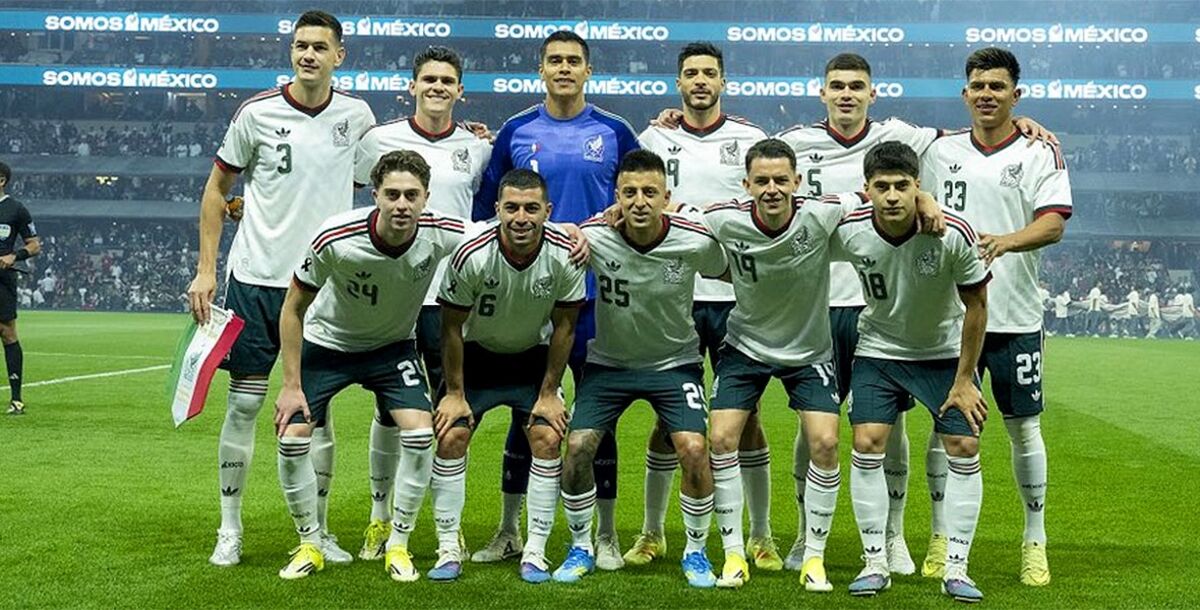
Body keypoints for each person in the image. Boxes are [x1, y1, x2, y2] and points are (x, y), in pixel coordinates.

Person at [775, 52, 1055, 574]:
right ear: (822, 92)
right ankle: (803, 539)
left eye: (856, 85)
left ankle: (896, 537)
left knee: (890, 425)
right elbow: (766, 189)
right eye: (836, 85)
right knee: (815, 426)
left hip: (883, 309)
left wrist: (1016, 125)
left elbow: (971, 131)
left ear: (872, 94)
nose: (846, 94)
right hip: (817, 306)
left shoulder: (906, 137)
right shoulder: (794, 142)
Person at [185, 10, 376, 567]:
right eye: (300, 45)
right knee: (243, 406)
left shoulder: (357, 116)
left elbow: (383, 171)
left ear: (340, 55)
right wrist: (205, 269)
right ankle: (230, 527)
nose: (308, 54)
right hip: (257, 281)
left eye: (319, 46)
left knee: (318, 413)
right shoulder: (256, 113)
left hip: (322, 287)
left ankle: (317, 532)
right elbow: (218, 189)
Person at [471, 30, 640, 569]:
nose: (564, 69)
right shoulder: (517, 131)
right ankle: (507, 529)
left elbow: (639, 198)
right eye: (554, 61)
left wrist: (615, 216)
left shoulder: (615, 131)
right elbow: (486, 207)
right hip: (527, 298)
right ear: (540, 70)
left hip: (594, 297)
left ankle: (606, 534)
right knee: (529, 413)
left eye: (573, 61)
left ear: (588, 70)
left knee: (596, 416)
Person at [272, 150, 467, 582]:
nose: (402, 204)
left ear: (426, 197)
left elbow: (497, 235)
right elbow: (293, 308)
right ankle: (309, 541)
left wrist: (569, 230)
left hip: (392, 349)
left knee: (419, 434)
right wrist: (290, 385)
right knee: (292, 436)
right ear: (374, 194)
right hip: (327, 346)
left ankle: (397, 544)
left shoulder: (441, 231)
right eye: (393, 194)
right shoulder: (334, 238)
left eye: (411, 195)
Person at [920, 47, 1073, 586]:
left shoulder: (1038, 151)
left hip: (1014, 314)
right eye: (978, 86)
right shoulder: (936, 150)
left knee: (1023, 428)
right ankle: (940, 535)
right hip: (951, 318)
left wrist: (1005, 242)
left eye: (997, 86)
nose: (987, 94)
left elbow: (1054, 223)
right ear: (965, 94)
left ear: (1016, 94)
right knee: (947, 430)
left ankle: (1036, 539)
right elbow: (881, 158)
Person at [627, 42, 777, 570]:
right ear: (678, 82)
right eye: (690, 73)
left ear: (723, 82)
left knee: (747, 419)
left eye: (709, 73)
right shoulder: (655, 136)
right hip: (675, 298)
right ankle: (652, 533)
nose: (699, 81)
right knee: (671, 421)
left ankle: (760, 536)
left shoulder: (751, 139)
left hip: (737, 299)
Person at [554, 149, 726, 588]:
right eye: (629, 193)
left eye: (650, 192)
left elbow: (733, 268)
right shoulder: (596, 235)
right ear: (617, 196)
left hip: (675, 364)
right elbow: (552, 238)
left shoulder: (694, 238)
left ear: (667, 197)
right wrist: (576, 227)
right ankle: (580, 545)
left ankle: (695, 550)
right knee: (576, 450)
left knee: (692, 449)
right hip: (609, 364)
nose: (639, 201)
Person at [352, 44, 493, 561]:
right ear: (412, 86)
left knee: (449, 412)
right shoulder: (378, 141)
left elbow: (480, 216)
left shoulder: (476, 149)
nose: (437, 87)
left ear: (460, 90)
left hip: (451, 300)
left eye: (446, 80)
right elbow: (349, 196)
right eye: (428, 79)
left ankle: (445, 527)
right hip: (393, 298)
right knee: (390, 412)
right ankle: (378, 516)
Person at [833, 141, 991, 602]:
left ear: (918, 186)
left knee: (963, 444)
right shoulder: (850, 228)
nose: (892, 196)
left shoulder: (952, 232)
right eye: (881, 187)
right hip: (879, 349)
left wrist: (965, 379)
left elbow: (977, 304)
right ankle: (875, 561)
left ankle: (957, 567)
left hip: (943, 355)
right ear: (866, 190)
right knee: (867, 442)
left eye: (903, 186)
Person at [429, 169, 585, 583]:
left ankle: (533, 548)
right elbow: (450, 328)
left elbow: (566, 327)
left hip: (533, 359)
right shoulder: (471, 254)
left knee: (548, 436)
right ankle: (448, 546)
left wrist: (550, 392)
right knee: (451, 433)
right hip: (476, 357)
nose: (521, 217)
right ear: (496, 209)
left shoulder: (565, 253)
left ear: (547, 212)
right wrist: (455, 392)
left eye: (532, 208)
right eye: (511, 207)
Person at [0, 161, 41, 415]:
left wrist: (14, 256)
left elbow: (35, 245)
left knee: (7, 331)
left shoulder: (16, 209)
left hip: (2, 279)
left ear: (2, 180)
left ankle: (16, 399)